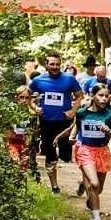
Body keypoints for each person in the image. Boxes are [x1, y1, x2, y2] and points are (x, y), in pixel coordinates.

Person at [66, 81, 111, 220]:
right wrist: (72, 136)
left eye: (106, 96)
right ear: (93, 96)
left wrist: (109, 133)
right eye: (101, 96)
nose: (104, 99)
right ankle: (96, 219)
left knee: (98, 189)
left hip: (102, 152)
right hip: (85, 150)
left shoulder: (110, 116)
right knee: (94, 183)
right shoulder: (82, 112)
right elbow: (78, 125)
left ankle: (84, 187)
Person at [27, 52, 84, 195]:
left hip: (64, 121)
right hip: (46, 122)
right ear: (46, 64)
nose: (55, 67)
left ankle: (82, 181)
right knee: (50, 155)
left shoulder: (69, 79)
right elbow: (28, 97)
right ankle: (54, 186)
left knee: (65, 155)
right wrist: (35, 108)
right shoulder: (38, 81)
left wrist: (73, 110)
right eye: (52, 64)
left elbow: (80, 96)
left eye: (57, 64)